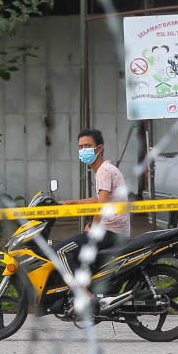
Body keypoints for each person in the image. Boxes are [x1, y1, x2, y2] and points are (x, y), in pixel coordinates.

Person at [54, 129, 130, 315]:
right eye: (80, 147)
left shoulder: (103, 170)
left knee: (60, 251)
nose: (83, 150)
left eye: (87, 146)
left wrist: (93, 227)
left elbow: (102, 204)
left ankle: (86, 297)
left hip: (110, 231)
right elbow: (99, 199)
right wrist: (70, 203)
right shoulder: (106, 170)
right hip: (115, 230)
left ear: (100, 148)